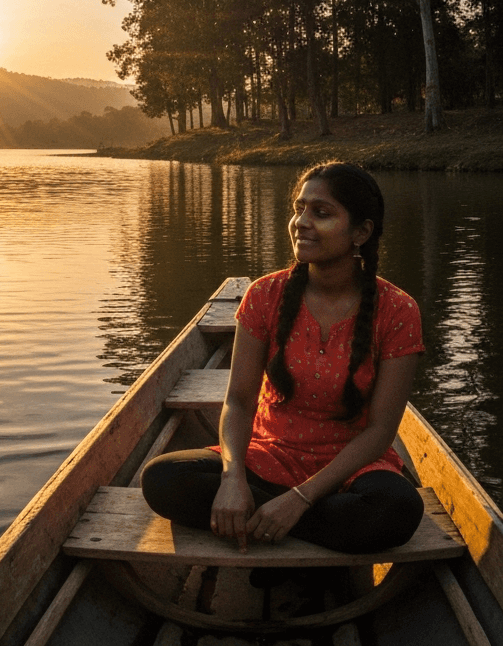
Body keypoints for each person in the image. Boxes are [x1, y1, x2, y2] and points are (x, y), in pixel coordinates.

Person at [141, 161, 425, 557]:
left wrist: (299, 500)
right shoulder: (265, 295)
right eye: (299, 208)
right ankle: (291, 519)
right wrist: (232, 478)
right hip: (269, 455)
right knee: (162, 479)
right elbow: (239, 402)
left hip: (351, 465)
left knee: (398, 510)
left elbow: (380, 432)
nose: (301, 222)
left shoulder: (398, 310)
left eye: (321, 213)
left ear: (361, 232)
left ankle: (270, 519)